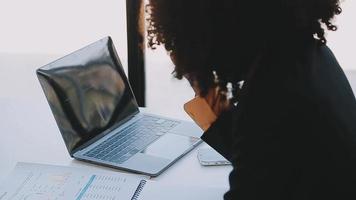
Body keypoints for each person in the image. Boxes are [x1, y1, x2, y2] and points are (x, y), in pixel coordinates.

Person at [147, 0, 356, 199]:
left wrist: (199, 74)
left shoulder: (271, 96)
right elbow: (262, 164)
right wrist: (205, 89)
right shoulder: (310, 55)